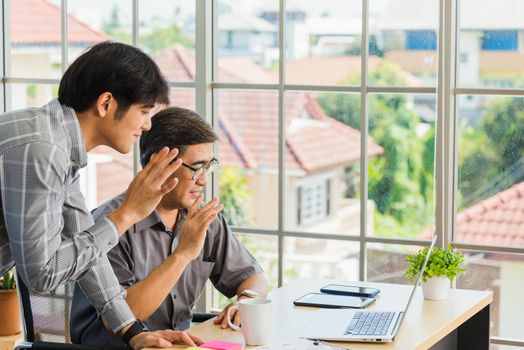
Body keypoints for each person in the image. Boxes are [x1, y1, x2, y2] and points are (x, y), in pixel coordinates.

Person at [0, 42, 204, 348]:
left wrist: (133, 333)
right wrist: (126, 215)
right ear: (106, 103)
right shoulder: (43, 150)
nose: (147, 125)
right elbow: (41, 275)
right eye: (144, 111)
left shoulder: (58, 144)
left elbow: (88, 250)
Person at [70, 106, 268, 348]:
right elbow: (122, 316)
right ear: (161, 164)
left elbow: (253, 278)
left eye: (209, 166)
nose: (204, 180)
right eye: (197, 168)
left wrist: (246, 300)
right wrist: (183, 254)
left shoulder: (202, 217)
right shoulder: (111, 224)